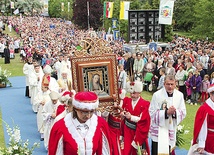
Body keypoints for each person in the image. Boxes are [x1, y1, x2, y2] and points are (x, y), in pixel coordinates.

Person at [48, 91, 112, 155]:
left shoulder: (100, 124)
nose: (88, 115)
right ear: (75, 109)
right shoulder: (60, 127)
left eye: (92, 111)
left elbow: (105, 150)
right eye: (84, 112)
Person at [149, 75, 186, 155]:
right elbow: (152, 112)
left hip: (171, 127)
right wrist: (166, 113)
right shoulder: (157, 95)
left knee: (169, 150)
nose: (170, 86)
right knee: (157, 151)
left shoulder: (179, 95)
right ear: (164, 83)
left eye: (172, 84)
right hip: (159, 131)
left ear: (175, 84)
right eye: (168, 84)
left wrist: (175, 113)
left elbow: (183, 112)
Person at [120, 80, 151, 155]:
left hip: (138, 132)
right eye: (130, 93)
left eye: (134, 93)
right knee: (126, 151)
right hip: (127, 132)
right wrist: (122, 114)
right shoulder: (126, 101)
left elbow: (144, 120)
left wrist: (131, 117)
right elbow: (121, 110)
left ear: (139, 92)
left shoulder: (145, 104)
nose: (132, 95)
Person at [188, 84, 214, 154]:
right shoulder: (205, 109)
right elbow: (202, 126)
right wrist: (201, 144)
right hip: (209, 140)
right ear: (210, 94)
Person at [33, 76, 51, 141]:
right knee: (41, 121)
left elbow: (52, 101)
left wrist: (46, 102)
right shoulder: (39, 93)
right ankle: (42, 134)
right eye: (42, 87)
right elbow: (35, 101)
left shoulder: (50, 93)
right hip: (40, 109)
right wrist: (40, 102)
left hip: (47, 110)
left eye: (44, 87)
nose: (43, 89)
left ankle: (47, 134)